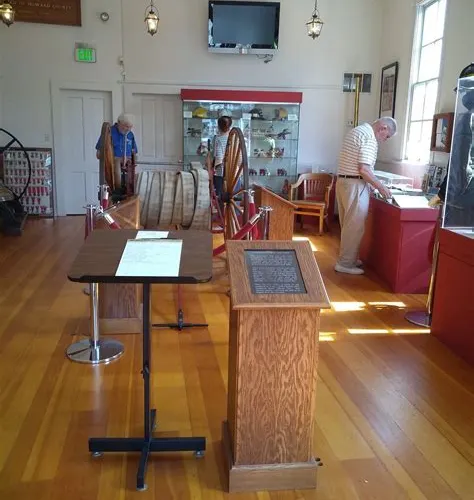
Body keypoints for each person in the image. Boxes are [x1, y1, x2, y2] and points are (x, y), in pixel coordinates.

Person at [335, 117, 397, 275]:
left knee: (348, 225)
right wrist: (381, 187)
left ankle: (350, 258)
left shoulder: (358, 130)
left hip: (343, 182)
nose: (384, 140)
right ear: (383, 128)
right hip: (355, 184)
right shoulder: (369, 137)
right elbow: (364, 169)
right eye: (387, 136)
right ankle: (345, 264)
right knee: (354, 226)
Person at [95, 113, 138, 190]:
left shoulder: (130, 134)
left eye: (130, 127)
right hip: (112, 167)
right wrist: (114, 159)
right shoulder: (108, 133)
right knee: (117, 162)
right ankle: (117, 189)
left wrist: (131, 160)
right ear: (119, 122)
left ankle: (131, 189)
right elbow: (98, 154)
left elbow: (134, 152)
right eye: (126, 126)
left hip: (127, 164)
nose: (128, 129)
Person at [208, 115, 232, 199]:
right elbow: (239, 159)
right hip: (234, 174)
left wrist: (212, 167)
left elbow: (218, 157)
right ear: (230, 126)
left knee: (220, 198)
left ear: (218, 126)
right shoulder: (235, 139)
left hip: (221, 174)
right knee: (233, 198)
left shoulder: (218, 139)